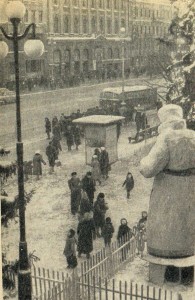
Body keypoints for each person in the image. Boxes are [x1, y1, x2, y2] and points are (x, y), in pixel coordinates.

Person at [140, 104, 195, 262]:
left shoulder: (167, 137)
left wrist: (142, 162)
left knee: (168, 224)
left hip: (168, 189)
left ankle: (167, 258)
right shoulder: (192, 135)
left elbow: (148, 168)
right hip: (191, 187)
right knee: (187, 222)